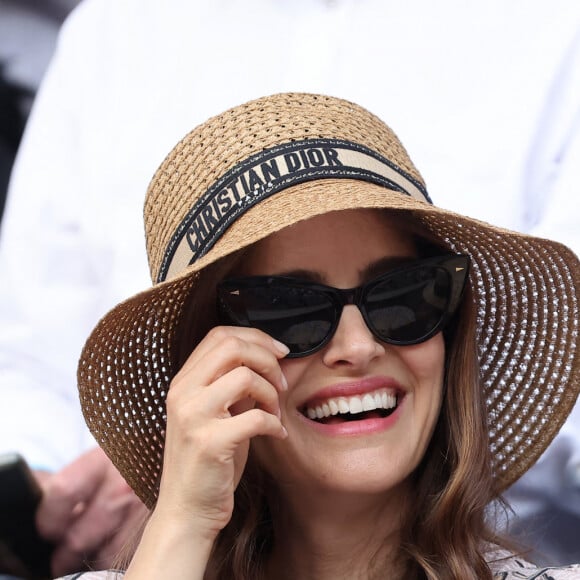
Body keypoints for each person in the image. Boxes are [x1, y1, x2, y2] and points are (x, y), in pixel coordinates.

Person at [1, 0, 580, 574]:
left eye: (406, 297)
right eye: (288, 310)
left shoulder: (553, 24)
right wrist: (180, 524)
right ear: (202, 372)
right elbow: (23, 363)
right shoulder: (111, 30)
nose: (357, 346)